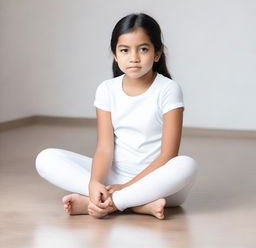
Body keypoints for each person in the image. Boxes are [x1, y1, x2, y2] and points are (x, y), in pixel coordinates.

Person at [35, 13, 198, 220]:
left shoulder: (168, 89)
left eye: (143, 49)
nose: (134, 58)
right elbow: (104, 147)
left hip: (158, 183)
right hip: (115, 177)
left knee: (186, 165)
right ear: (115, 54)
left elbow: (168, 155)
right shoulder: (107, 89)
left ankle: (107, 203)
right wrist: (95, 182)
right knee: (46, 158)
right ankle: (137, 205)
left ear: (157, 54)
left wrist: (124, 189)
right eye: (124, 50)